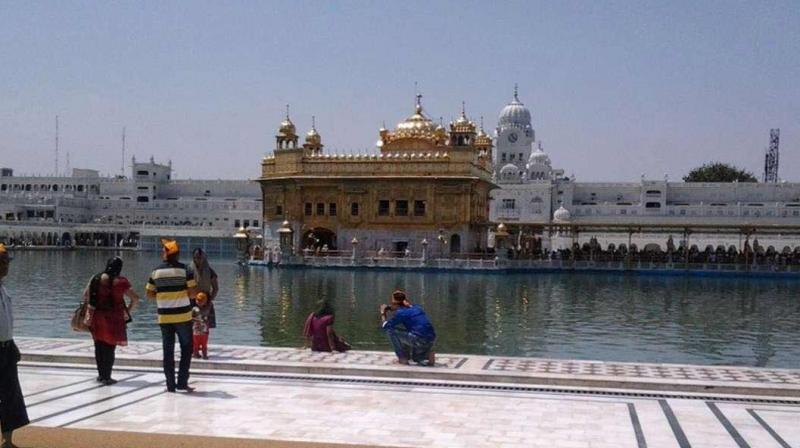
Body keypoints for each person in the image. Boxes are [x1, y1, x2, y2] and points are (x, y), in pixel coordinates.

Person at [146, 238, 197, 393]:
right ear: (177, 254)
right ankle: (182, 382)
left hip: (164, 317)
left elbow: (149, 294)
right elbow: (193, 293)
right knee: (186, 349)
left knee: (167, 351)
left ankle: (170, 385)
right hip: (183, 316)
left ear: (165, 254)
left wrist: (163, 296)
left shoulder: (156, 272)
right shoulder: (186, 270)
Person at [83, 257, 139, 385]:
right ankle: (107, 376)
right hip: (114, 318)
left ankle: (101, 375)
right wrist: (128, 310)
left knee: (99, 346)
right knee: (110, 347)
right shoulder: (121, 282)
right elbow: (135, 298)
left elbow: (85, 295)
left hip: (96, 316)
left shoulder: (95, 279)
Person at [0, 244, 29, 448]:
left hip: (6, 348)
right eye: (2, 262)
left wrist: (11, 343)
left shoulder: (3, 289)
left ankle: (7, 441)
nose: (6, 267)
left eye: (6, 262)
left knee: (10, 394)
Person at [380, 290, 436, 366]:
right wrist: (391, 308)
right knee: (416, 359)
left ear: (395, 304)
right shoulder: (417, 308)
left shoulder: (400, 313)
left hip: (418, 339)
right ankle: (428, 355)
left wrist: (383, 313)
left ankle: (403, 358)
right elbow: (404, 308)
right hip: (430, 340)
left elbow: (386, 326)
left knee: (390, 330)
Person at [190, 248, 218, 330]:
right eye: (195, 258)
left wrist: (209, 301)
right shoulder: (189, 270)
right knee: (191, 329)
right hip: (192, 302)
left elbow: (215, 288)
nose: (197, 260)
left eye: (199, 258)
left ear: (204, 258)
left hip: (206, 303)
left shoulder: (210, 271)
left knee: (204, 329)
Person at [191, 292, 211, 359]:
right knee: (195, 343)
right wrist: (198, 320)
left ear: (205, 301)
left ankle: (204, 354)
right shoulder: (194, 309)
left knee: (204, 344)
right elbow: (190, 318)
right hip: (196, 330)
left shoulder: (207, 309)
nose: (199, 302)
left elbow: (208, 319)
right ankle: (195, 354)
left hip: (204, 330)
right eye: (198, 300)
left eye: (201, 301)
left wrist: (207, 324)